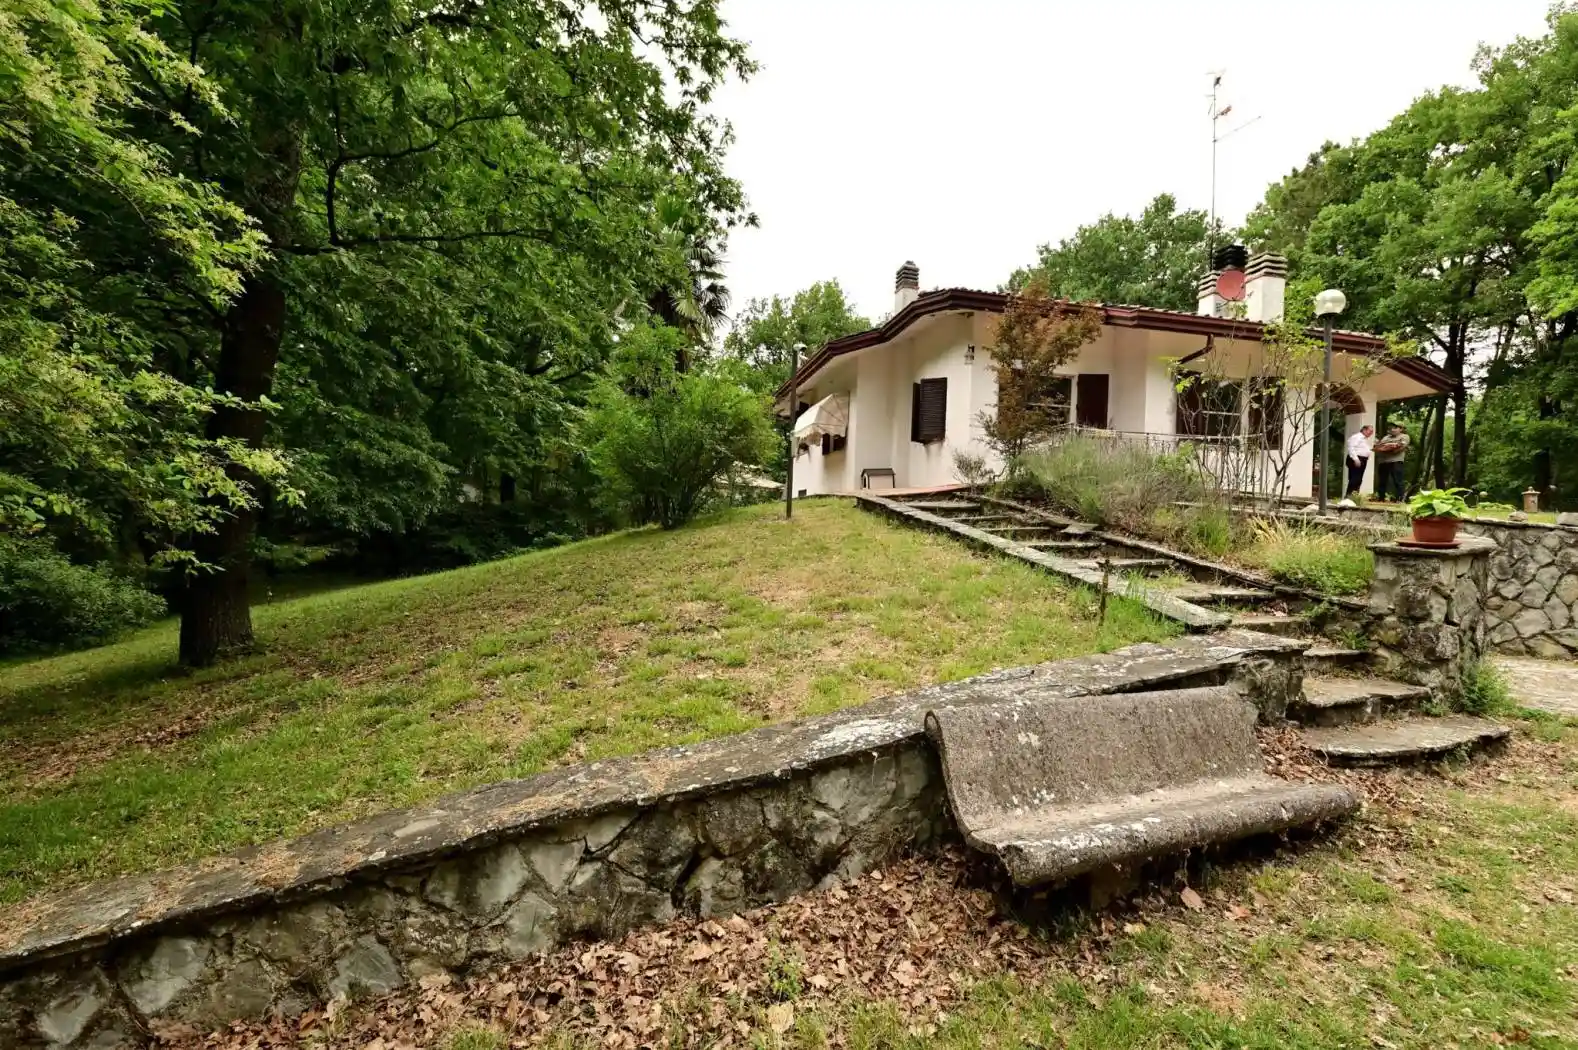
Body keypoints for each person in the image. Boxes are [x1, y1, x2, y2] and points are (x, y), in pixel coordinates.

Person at [1373, 423, 1410, 503]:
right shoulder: (1386, 437)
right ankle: (1381, 498)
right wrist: (1381, 447)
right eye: (1392, 428)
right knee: (1382, 481)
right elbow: (1379, 446)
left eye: (1395, 428)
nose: (1393, 429)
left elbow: (1401, 447)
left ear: (1401, 429)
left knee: (1398, 481)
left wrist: (1390, 449)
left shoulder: (1404, 437)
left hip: (1396, 461)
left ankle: (1400, 499)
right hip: (1383, 461)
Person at [1345, 424, 1374, 500]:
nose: (1371, 433)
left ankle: (1354, 497)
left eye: (1372, 432)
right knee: (1355, 478)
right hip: (1357, 459)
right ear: (1364, 430)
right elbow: (1351, 447)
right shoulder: (1357, 437)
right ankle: (1349, 497)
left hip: (1362, 459)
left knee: (1358, 479)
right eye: (1370, 431)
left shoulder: (1363, 439)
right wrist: (1356, 459)